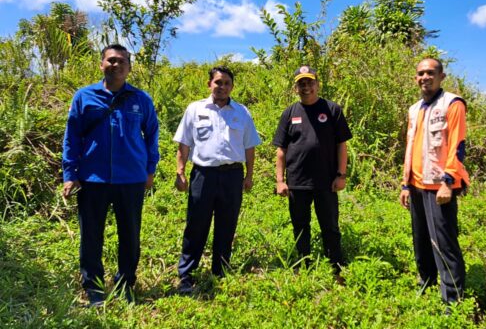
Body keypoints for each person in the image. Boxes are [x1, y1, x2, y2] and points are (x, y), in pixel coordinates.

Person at [62, 44, 160, 307]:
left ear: (129, 67)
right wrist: (70, 174)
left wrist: (150, 169)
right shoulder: (84, 97)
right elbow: (71, 137)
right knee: (91, 235)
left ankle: (125, 283)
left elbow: (152, 136)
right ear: (101, 64)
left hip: (131, 179)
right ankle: (93, 288)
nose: (116, 65)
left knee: (130, 234)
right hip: (93, 179)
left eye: (121, 61)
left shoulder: (141, 100)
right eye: (111, 60)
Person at [174, 66, 261, 292]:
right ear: (209, 84)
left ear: (232, 87)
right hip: (203, 175)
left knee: (227, 224)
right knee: (196, 224)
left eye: (226, 83)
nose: (222, 87)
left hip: (233, 176)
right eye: (218, 82)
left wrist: (249, 176)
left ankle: (219, 273)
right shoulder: (195, 109)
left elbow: (250, 146)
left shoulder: (242, 112)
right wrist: (180, 172)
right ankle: (187, 276)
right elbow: (184, 143)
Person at [399, 58, 470, 305]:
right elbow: (410, 148)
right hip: (417, 185)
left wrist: (447, 183)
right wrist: (405, 184)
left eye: (430, 72)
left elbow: (458, 146)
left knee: (444, 244)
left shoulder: (452, 104)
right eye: (420, 73)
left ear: (441, 76)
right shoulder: (414, 109)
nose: (424, 77)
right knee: (421, 241)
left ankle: (452, 301)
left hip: (439, 187)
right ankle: (426, 284)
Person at [273, 65, 352, 275]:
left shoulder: (332, 110)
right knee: (300, 225)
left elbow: (341, 145)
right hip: (297, 181)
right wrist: (280, 180)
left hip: (326, 181)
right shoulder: (289, 113)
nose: (306, 86)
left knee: (330, 226)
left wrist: (341, 175)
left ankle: (336, 266)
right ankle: (303, 264)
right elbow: (281, 150)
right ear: (295, 88)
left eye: (310, 82)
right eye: (301, 83)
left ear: (317, 84)